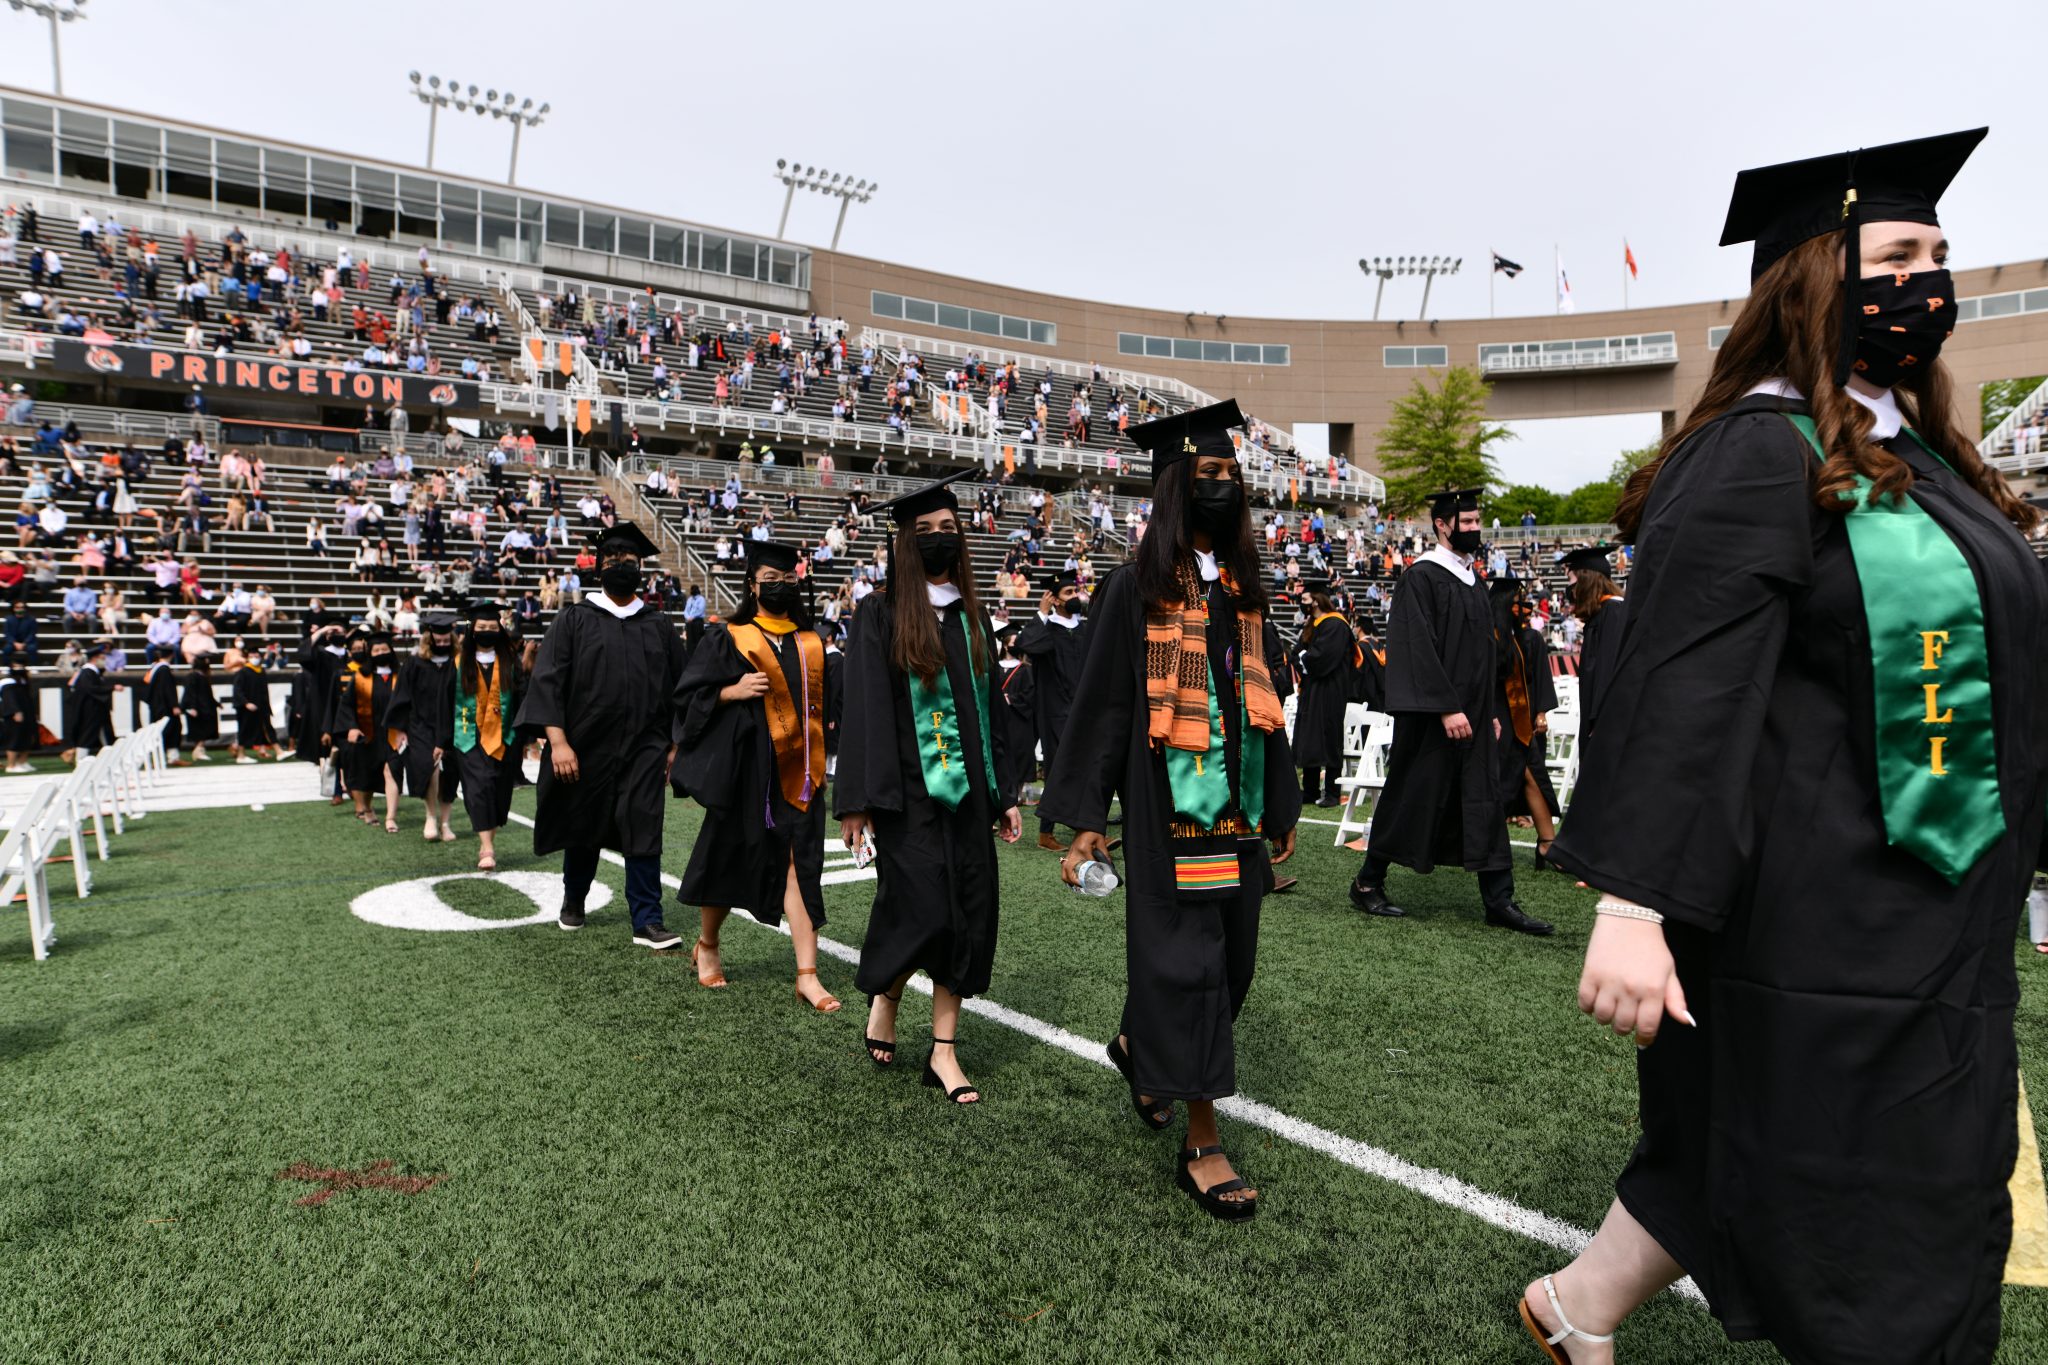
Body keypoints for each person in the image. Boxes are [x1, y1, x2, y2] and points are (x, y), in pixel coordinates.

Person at [1527, 129, 2048, 1365]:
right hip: (1817, 919)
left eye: (1940, 255)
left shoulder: (1924, 463)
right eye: (1900, 253)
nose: (1932, 282)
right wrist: (1633, 903)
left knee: (1816, 1160)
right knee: (1876, 1225)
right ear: (1818, 273)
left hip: (1937, 903)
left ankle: (1575, 1307)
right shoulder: (1760, 449)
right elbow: (1681, 683)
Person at [1040, 399, 1300, 1221]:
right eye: (1207, 475)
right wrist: (1086, 818)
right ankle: (1202, 1139)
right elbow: (1106, 708)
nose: (1221, 487)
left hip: (1240, 812)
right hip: (1167, 813)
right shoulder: (1135, 591)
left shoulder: (1246, 592)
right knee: (1188, 966)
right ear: (1175, 489)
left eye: (1231, 475)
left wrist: (1283, 798)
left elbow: (1267, 706)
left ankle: (1134, 1043)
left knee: (1234, 968)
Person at [835, 469, 1023, 1101]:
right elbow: (863, 710)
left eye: (950, 528)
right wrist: (857, 802)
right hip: (908, 799)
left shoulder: (974, 620)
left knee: (966, 919)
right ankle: (886, 994)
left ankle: (944, 1051)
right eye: (927, 531)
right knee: (920, 912)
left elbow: (993, 713)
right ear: (905, 542)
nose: (941, 538)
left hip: (968, 797)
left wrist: (1004, 795)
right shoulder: (880, 613)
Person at [1347, 488, 1551, 935]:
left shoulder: (1472, 580)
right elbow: (1417, 649)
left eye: (1479, 521)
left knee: (1484, 800)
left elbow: (1480, 655)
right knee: (1413, 797)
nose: (1476, 529)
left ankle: (1499, 899)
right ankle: (1367, 882)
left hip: (1474, 716)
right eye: (1469, 522)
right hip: (1434, 719)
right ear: (1442, 525)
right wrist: (1445, 709)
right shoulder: (1422, 577)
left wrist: (1487, 710)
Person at [673, 540, 841, 1007]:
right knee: (727, 857)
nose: (780, 586)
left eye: (789, 580)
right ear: (752, 584)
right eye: (771, 579)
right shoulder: (731, 636)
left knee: (800, 869)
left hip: (801, 776)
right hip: (746, 773)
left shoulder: (813, 643)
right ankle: (707, 945)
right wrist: (732, 690)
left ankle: (807, 975)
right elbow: (688, 699)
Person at [516, 523, 688, 949]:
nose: (622, 568)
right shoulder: (574, 620)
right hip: (584, 747)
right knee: (584, 825)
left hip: (646, 747)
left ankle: (647, 919)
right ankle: (574, 899)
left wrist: (674, 745)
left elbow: (682, 688)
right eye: (613, 562)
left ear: (642, 570)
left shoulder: (658, 625)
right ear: (598, 568)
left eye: (630, 562)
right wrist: (557, 742)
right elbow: (548, 682)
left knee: (644, 828)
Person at [1486, 574, 1562, 869]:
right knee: (1500, 779)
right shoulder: (1487, 636)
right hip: (1495, 720)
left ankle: (1547, 843)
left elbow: (1540, 678)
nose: (1525, 607)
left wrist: (1542, 712)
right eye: (1518, 602)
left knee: (1532, 774)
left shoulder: (1528, 638)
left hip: (1523, 720)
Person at [443, 602, 524, 872]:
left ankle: (488, 840)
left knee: (499, 791)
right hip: (469, 738)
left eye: (492, 627)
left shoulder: (511, 662)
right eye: (482, 628)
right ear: (471, 630)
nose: (487, 631)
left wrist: (531, 734)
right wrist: (440, 741)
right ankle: (487, 847)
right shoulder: (457, 663)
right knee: (479, 788)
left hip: (505, 737)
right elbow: (443, 703)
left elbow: (524, 698)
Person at [1013, 568, 1089, 850]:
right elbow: (1025, 645)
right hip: (1055, 713)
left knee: (1087, 769)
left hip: (1083, 711)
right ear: (1054, 600)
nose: (1075, 597)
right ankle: (1046, 832)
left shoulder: (1084, 628)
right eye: (1068, 593)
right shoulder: (1048, 630)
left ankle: (1088, 828)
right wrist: (1042, 614)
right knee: (1058, 770)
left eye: (1075, 591)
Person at [384, 607, 460, 842]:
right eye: (439, 639)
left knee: (451, 774)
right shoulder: (415, 663)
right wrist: (399, 730)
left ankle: (446, 823)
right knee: (430, 768)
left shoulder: (457, 663)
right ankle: (430, 817)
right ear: (430, 638)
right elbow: (402, 696)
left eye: (447, 639)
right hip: (421, 726)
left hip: (454, 725)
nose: (443, 643)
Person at [1292, 588, 1361, 807]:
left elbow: (1321, 658)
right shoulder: (1312, 625)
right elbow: (1297, 654)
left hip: (1330, 690)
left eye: (1305, 598)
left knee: (1330, 737)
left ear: (1317, 599)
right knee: (1310, 737)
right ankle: (1310, 791)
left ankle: (1332, 792)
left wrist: (1305, 658)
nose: (1301, 602)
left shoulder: (1336, 625)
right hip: (1312, 689)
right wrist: (1303, 658)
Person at [327, 631, 402, 828]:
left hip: (393, 733)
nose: (380, 653)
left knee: (391, 771)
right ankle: (367, 807)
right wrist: (351, 727)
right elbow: (346, 705)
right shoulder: (361, 677)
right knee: (368, 775)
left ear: (391, 651)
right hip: (368, 733)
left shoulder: (400, 675)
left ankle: (390, 818)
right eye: (376, 650)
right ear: (371, 654)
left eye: (384, 649)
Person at [1559, 545, 1627, 747]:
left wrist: (1599, 718)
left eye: (1572, 581)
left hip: (1606, 724)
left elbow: (1608, 670)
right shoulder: (1602, 615)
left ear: (1586, 580)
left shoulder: (1613, 613)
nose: (1570, 589)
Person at [65, 640, 117, 758]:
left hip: (96, 709)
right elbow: (91, 689)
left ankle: (110, 757)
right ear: (95, 658)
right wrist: (112, 688)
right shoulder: (87, 672)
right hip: (90, 710)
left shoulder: (93, 672)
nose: (104, 660)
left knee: (104, 733)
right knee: (87, 734)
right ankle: (81, 760)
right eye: (102, 657)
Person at [228, 648, 279, 764]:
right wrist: (246, 703)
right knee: (244, 730)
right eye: (252, 656)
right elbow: (237, 690)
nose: (255, 658)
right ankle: (240, 755)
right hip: (246, 707)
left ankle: (268, 750)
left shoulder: (261, 671)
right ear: (247, 657)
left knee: (263, 729)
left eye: (257, 656)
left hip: (260, 706)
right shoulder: (243, 672)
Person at [141, 644, 184, 764]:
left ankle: (169, 756)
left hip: (156, 706)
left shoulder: (154, 667)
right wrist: (174, 705)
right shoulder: (164, 669)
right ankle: (169, 757)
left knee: (162, 731)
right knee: (170, 730)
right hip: (165, 707)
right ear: (172, 655)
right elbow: (168, 689)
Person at [180, 654, 219, 762]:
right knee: (200, 730)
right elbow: (190, 693)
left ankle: (200, 750)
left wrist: (216, 703)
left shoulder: (203, 676)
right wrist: (192, 707)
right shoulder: (192, 676)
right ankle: (198, 750)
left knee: (206, 729)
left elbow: (207, 694)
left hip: (205, 707)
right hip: (198, 708)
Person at [0, 659, 35, 771]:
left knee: (26, 738)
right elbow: (10, 699)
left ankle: (22, 762)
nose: (19, 668)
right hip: (14, 715)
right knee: (14, 739)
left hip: (27, 713)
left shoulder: (23, 681)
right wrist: (15, 711)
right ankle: (11, 765)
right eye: (15, 666)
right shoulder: (8, 682)